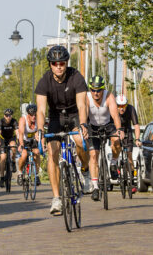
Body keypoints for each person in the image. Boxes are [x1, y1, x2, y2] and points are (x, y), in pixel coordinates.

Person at [35, 45, 89, 215]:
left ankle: (85, 170)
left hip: (73, 114)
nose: (58, 66)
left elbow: (82, 104)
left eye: (62, 63)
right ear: (50, 64)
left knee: (80, 140)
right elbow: (41, 110)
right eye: (55, 63)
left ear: (66, 63)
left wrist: (83, 124)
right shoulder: (44, 81)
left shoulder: (76, 77)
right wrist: (40, 130)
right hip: (56, 117)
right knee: (53, 152)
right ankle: (57, 198)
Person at [86, 75, 124, 201]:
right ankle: (96, 187)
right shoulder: (87, 97)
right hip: (93, 127)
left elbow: (115, 115)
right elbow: (84, 114)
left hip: (108, 125)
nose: (96, 93)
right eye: (93, 90)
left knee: (117, 141)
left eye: (99, 90)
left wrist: (119, 130)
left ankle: (113, 163)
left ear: (103, 89)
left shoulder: (109, 96)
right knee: (93, 155)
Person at [116, 94, 142, 193]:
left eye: (123, 106)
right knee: (115, 147)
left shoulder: (131, 109)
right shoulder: (114, 109)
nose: (121, 108)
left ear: (126, 105)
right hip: (116, 132)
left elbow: (136, 125)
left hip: (127, 132)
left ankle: (132, 181)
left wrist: (138, 139)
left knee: (129, 156)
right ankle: (116, 164)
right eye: (119, 106)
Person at [17, 104, 42, 186]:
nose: (33, 117)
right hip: (23, 140)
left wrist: (42, 144)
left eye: (35, 114)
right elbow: (20, 134)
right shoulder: (23, 120)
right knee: (24, 155)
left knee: (37, 153)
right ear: (28, 115)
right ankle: (20, 173)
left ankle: (37, 175)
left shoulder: (38, 120)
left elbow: (42, 133)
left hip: (33, 140)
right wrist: (21, 144)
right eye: (31, 115)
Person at [0, 108, 19, 188]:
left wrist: (19, 141)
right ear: (4, 116)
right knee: (3, 158)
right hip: (3, 139)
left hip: (11, 138)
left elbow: (17, 132)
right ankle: (2, 178)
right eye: (6, 115)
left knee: (13, 147)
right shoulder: (1, 121)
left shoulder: (14, 121)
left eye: (9, 115)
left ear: (11, 116)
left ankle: (13, 162)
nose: (8, 117)